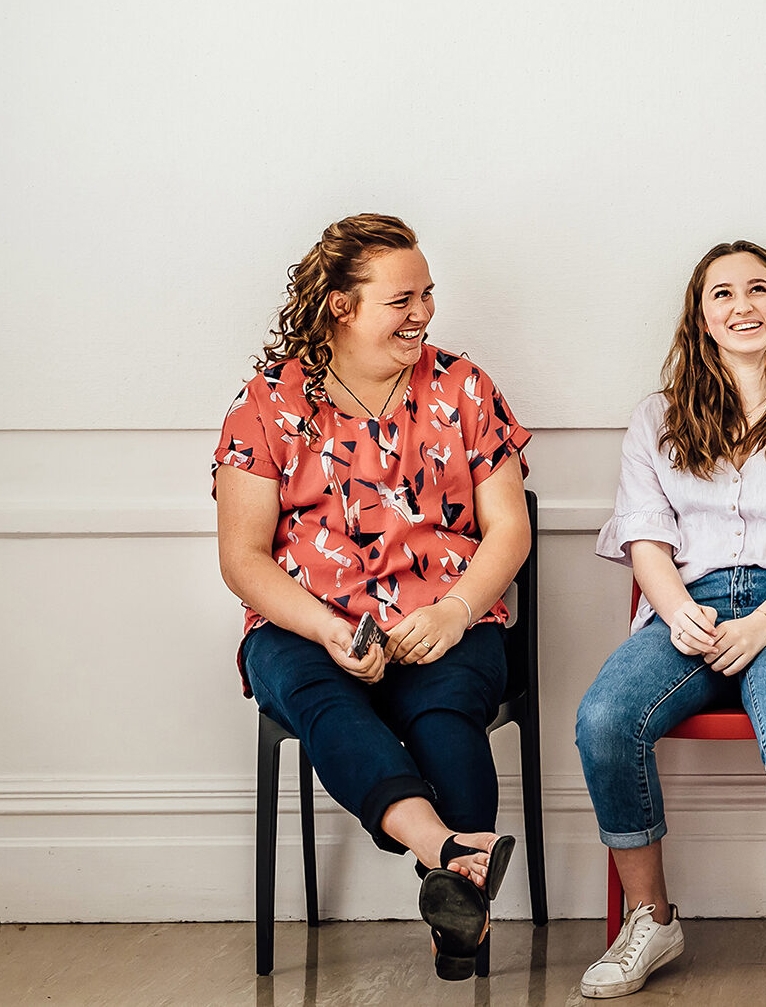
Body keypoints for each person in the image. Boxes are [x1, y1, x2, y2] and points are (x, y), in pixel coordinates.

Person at [214, 213, 530, 981]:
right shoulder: (269, 403)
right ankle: (452, 857)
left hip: (446, 620)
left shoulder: (465, 388)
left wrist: (454, 612)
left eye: (427, 294)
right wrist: (326, 628)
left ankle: (453, 893)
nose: (422, 311)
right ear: (340, 305)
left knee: (443, 710)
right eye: (401, 299)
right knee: (326, 702)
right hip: (303, 627)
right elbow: (243, 559)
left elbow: (509, 531)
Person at [574, 241, 766, 1006]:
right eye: (723, 294)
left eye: (758, 290)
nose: (742, 306)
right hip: (692, 603)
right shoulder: (656, 419)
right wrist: (678, 612)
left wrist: (765, 623)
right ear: (701, 316)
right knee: (605, 717)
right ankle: (652, 920)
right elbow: (646, 539)